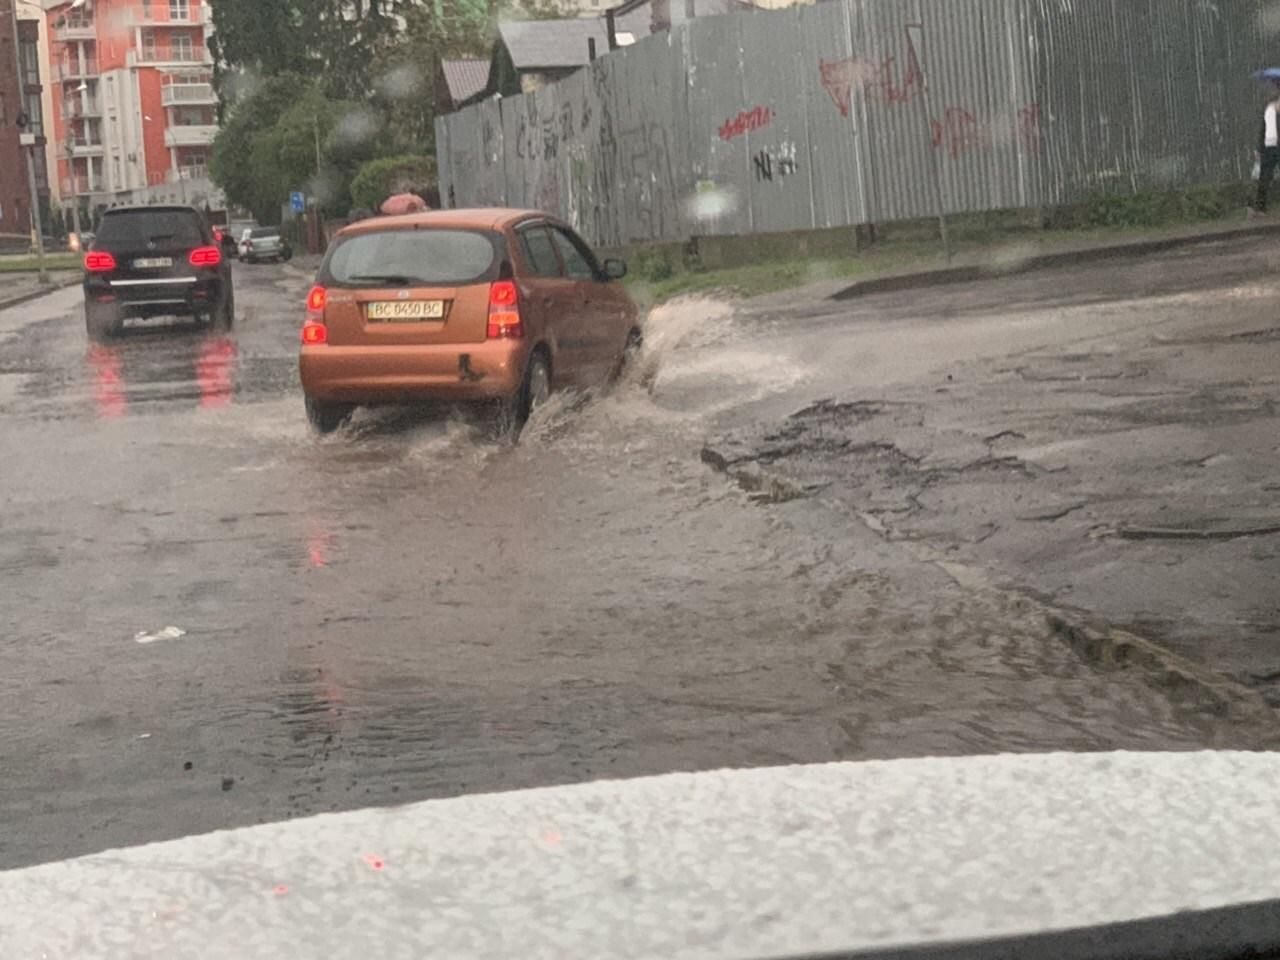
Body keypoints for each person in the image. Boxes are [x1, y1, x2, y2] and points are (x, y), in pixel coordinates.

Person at [1254, 83, 1280, 215]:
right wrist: (1259, 148)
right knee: (1265, 176)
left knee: (1265, 176)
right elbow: (1262, 129)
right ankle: (1259, 207)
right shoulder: (1268, 110)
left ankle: (1259, 207)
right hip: (1269, 148)